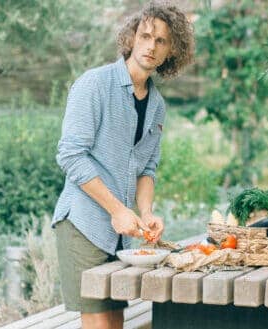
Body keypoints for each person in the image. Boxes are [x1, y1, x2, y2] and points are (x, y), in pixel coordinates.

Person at [51, 3, 194, 328]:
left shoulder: (157, 105)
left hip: (122, 237)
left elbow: (147, 169)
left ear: (172, 51)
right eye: (146, 36)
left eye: (162, 41)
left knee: (116, 324)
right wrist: (117, 209)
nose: (151, 46)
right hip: (83, 226)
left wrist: (146, 214)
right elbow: (71, 155)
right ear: (131, 38)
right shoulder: (94, 85)